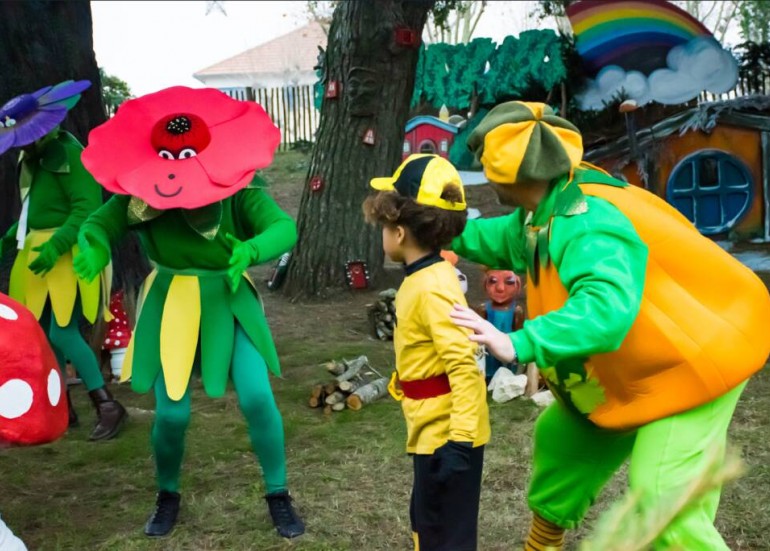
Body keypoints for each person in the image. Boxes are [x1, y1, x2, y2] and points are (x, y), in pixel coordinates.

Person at [448, 101, 770, 550]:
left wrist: (520, 341)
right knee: (562, 440)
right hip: (633, 368)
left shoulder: (588, 223)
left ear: (507, 171)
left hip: (692, 365)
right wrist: (440, 226)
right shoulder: (544, 208)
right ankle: (541, 544)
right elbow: (504, 238)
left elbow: (605, 307)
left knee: (663, 500)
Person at [73, 86, 304, 539]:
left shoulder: (237, 185)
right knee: (172, 415)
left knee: (257, 396)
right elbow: (100, 221)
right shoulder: (142, 190)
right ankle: (167, 494)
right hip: (170, 304)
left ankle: (278, 493)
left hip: (229, 299)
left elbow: (284, 226)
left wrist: (253, 248)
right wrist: (94, 245)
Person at [363, 153, 490, 551]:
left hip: (448, 438)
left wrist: (460, 444)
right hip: (430, 432)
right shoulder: (424, 278)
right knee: (427, 524)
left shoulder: (432, 287)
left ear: (399, 232)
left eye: (383, 226)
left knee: (445, 537)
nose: (382, 234)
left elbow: (465, 366)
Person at [0, 80, 126, 441]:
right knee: (45, 336)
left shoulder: (69, 153)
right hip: (36, 255)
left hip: (68, 255)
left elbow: (87, 208)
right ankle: (62, 408)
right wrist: (10, 239)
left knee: (63, 332)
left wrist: (57, 246)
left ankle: (108, 405)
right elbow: (34, 210)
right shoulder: (33, 157)